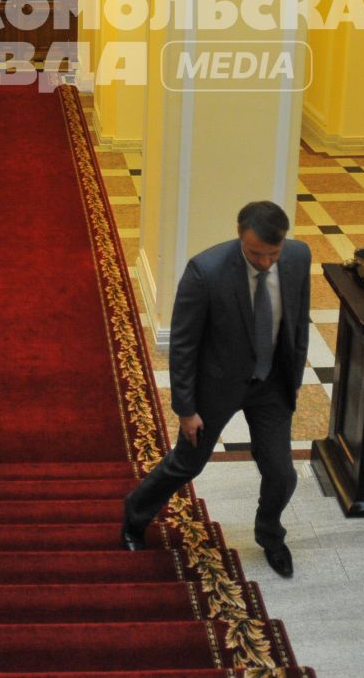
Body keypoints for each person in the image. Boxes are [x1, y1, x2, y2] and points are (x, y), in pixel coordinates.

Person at [121, 200, 311, 577]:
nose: (265, 263)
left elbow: (298, 320)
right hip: (217, 388)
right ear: (240, 236)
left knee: (281, 473)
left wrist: (294, 377)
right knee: (187, 464)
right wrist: (186, 409)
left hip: (270, 384)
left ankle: (270, 535)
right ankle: (134, 517)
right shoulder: (205, 271)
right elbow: (184, 345)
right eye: (256, 254)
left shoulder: (298, 257)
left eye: (273, 254)